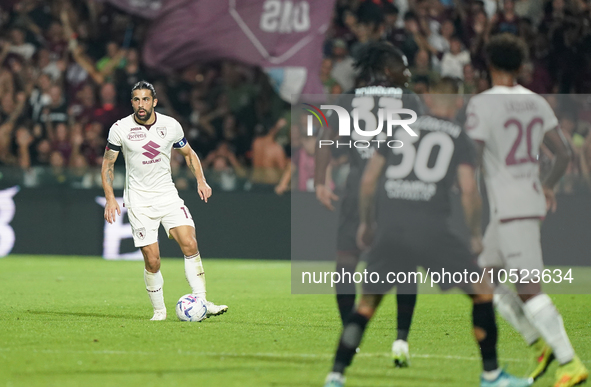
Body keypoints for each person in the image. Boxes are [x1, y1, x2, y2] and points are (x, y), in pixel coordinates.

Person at [323, 78, 532, 387]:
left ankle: (336, 375)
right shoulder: (460, 137)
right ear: (458, 104)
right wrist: (474, 233)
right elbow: (469, 191)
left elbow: (368, 181)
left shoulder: (398, 129)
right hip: (432, 231)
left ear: (428, 101)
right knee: (483, 291)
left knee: (366, 305)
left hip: (390, 230)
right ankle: (491, 375)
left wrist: (367, 223)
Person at [466, 33, 588, 387]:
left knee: (528, 288)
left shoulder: (482, 103)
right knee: (482, 280)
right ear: (521, 66)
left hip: (510, 207)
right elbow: (563, 154)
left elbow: (470, 160)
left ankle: (570, 362)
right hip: (524, 199)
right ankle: (539, 345)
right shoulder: (536, 101)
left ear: (489, 64)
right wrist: (548, 185)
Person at [315, 42, 423, 368]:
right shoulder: (409, 99)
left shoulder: (348, 99)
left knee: (346, 264)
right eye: (402, 66)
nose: (407, 72)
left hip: (357, 193)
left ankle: (351, 335)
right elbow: (424, 143)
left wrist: (321, 181)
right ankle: (401, 338)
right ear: (387, 68)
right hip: (398, 194)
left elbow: (325, 138)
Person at [101, 80, 228, 321]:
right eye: (136, 100)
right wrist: (110, 198)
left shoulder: (170, 125)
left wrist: (201, 180)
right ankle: (159, 311)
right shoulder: (120, 128)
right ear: (132, 102)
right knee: (153, 260)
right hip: (139, 201)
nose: (141, 104)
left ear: (154, 102)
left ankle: (201, 301)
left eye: (145, 99)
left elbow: (189, 154)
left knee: (190, 243)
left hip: (167, 195)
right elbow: (108, 164)